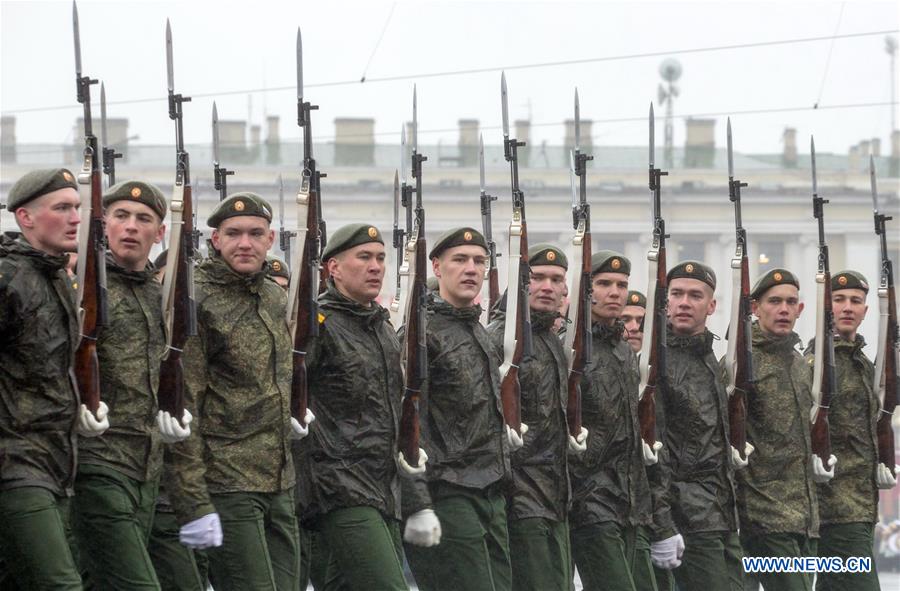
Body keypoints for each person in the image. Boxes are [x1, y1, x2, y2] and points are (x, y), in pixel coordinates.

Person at [166, 192, 304, 591]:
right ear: (215, 239)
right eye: (234, 233)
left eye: (255, 234)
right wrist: (193, 500)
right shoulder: (197, 298)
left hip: (279, 479)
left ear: (270, 238)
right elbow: (184, 401)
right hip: (227, 479)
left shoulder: (277, 298)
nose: (245, 243)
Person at [72, 180, 192, 590]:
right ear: (103, 223)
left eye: (143, 219)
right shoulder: (79, 287)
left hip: (146, 468)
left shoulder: (158, 296)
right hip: (96, 462)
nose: (130, 227)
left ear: (160, 234)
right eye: (120, 216)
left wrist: (179, 408)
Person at [0, 168, 108, 589]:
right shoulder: (9, 278)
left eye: (77, 208)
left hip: (57, 463)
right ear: (25, 217)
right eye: (61, 208)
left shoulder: (58, 279)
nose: (76, 219)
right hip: (15, 464)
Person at [300, 222, 417, 591]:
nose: (376, 266)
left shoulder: (382, 329)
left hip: (383, 486)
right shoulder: (318, 323)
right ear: (332, 268)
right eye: (364, 257)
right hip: (339, 485)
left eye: (381, 258)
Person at [403, 227, 515, 591]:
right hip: (447, 489)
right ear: (436, 267)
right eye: (460, 260)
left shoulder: (477, 331)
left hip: (490, 489)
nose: (471, 269)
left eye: (479, 261)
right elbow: (409, 423)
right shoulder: (423, 333)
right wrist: (417, 502)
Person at [487, 243, 585, 590]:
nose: (547, 286)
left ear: (565, 291)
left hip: (556, 495)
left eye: (555, 279)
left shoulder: (552, 341)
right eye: (537, 278)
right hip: (521, 497)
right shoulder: (500, 337)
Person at [569, 250, 662, 591]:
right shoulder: (571, 344)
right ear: (586, 288)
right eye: (604, 283)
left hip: (629, 500)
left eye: (621, 285)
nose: (614, 292)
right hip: (591, 500)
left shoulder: (623, 351)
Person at [654, 261, 743, 590]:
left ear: (711, 305)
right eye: (676, 294)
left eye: (695, 295)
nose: (684, 303)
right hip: (687, 517)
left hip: (722, 512)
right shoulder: (657, 365)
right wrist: (662, 524)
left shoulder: (709, 359)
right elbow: (654, 453)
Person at [739, 268, 825, 591]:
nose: (784, 309)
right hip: (764, 514)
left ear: (800, 310)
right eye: (774, 301)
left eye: (791, 302)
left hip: (805, 516)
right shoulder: (741, 364)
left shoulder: (802, 365)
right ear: (755, 308)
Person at [806, 270, 891, 590]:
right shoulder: (814, 366)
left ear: (865, 311)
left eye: (855, 301)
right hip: (834, 506)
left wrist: (882, 459)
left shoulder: (866, 365)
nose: (847, 307)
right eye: (838, 300)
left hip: (861, 503)